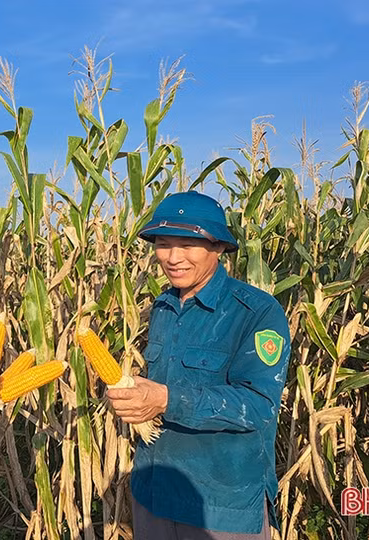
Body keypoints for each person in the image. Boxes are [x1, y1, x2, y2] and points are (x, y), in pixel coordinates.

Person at [106, 191, 291, 539]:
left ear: (219, 247)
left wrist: (166, 400)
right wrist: (132, 393)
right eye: (162, 244)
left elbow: (259, 405)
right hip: (154, 495)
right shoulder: (163, 306)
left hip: (219, 507)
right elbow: (164, 384)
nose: (173, 258)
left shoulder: (256, 312)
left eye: (188, 245)